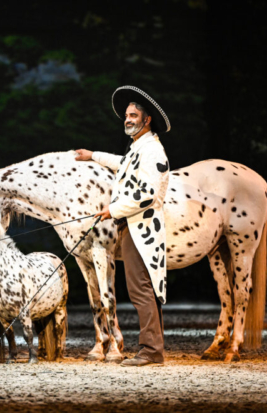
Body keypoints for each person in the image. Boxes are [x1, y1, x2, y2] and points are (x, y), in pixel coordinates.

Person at [75, 86, 171, 366]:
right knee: (143, 289)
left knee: (141, 289)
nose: (127, 119)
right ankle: (152, 348)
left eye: (133, 115)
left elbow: (148, 195)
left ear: (147, 119)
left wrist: (111, 210)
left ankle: (151, 351)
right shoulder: (139, 148)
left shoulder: (153, 151)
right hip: (133, 226)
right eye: (126, 116)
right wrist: (93, 155)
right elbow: (123, 164)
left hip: (143, 229)